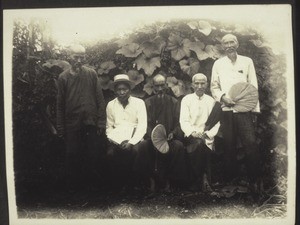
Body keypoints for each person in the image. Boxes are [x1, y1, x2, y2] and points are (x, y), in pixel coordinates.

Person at [210, 34, 262, 192]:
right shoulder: (218, 64)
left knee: (250, 144)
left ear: (237, 44)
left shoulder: (247, 61)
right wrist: (223, 97)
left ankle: (254, 181)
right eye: (225, 43)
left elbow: (253, 87)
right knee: (229, 145)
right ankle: (232, 181)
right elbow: (214, 87)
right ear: (222, 46)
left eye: (232, 41)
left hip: (244, 110)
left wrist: (254, 110)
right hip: (226, 111)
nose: (229, 45)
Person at [56, 44, 106, 191]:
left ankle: (91, 189)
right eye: (75, 57)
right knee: (72, 154)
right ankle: (74, 188)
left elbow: (100, 99)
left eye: (82, 57)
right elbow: (60, 104)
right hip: (72, 123)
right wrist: (60, 127)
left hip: (91, 122)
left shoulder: (91, 74)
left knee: (93, 154)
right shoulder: (63, 78)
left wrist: (101, 123)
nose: (79, 60)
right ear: (69, 56)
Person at [144, 74, 187, 192]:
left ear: (166, 86)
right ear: (152, 87)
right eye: (156, 86)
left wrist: (173, 133)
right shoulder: (147, 103)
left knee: (178, 146)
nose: (159, 89)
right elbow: (145, 123)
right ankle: (152, 181)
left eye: (162, 85)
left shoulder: (174, 102)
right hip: (152, 139)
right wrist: (153, 136)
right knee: (144, 146)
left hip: (169, 139)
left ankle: (169, 180)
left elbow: (179, 123)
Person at [106, 74, 148, 190]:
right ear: (115, 91)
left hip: (135, 137)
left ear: (129, 90)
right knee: (110, 154)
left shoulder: (139, 103)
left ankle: (135, 184)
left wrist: (132, 142)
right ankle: (119, 185)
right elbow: (109, 127)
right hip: (117, 139)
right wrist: (116, 141)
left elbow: (142, 126)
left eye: (124, 89)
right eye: (119, 89)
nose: (122, 92)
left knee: (136, 151)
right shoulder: (110, 105)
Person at [180, 73, 220, 192]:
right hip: (191, 135)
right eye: (196, 83)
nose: (199, 86)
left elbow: (217, 122)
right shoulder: (186, 99)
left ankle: (205, 179)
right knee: (197, 144)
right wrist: (192, 132)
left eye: (202, 83)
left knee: (204, 144)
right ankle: (198, 180)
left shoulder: (211, 100)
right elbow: (184, 120)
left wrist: (208, 134)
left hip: (206, 135)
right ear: (192, 85)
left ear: (206, 85)